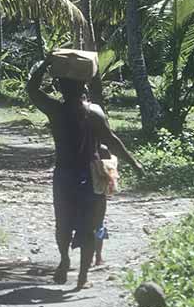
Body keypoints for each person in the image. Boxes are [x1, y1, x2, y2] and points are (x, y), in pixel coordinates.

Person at [27, 52, 142, 289]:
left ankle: (64, 260)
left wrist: (45, 64)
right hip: (91, 175)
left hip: (64, 176)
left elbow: (31, 89)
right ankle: (82, 277)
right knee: (92, 226)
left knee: (63, 223)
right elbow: (112, 140)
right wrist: (134, 163)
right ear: (85, 85)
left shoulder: (55, 110)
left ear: (59, 85)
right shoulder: (95, 112)